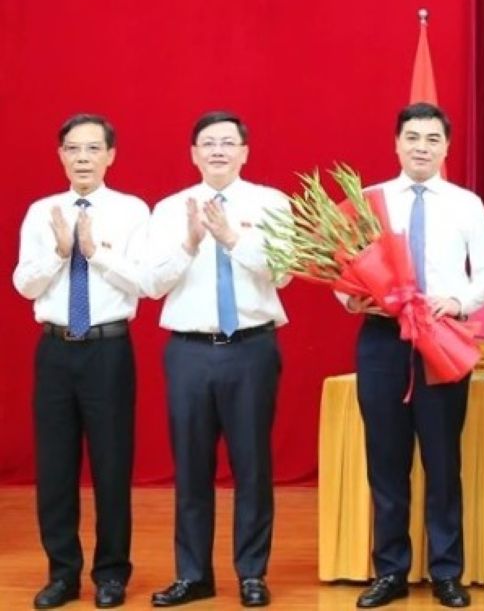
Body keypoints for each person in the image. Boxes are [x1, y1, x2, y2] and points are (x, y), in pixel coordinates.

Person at [350, 102, 484, 610]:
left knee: (442, 459)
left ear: (446, 147)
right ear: (396, 143)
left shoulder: (466, 203)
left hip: (441, 336)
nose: (421, 147)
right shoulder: (369, 201)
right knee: (386, 460)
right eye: (412, 137)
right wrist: (353, 299)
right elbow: (343, 270)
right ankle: (390, 570)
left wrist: (458, 301)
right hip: (382, 338)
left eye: (433, 139)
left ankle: (446, 571)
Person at [144, 111, 289, 609]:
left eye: (228, 142)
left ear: (245, 152)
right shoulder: (169, 210)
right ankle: (192, 575)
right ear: (194, 153)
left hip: (251, 348)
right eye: (208, 143)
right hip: (189, 352)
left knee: (253, 467)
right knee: (190, 468)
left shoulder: (271, 203)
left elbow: (283, 271)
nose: (219, 150)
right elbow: (152, 284)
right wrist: (189, 243)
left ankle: (251, 573)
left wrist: (232, 238)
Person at [13, 114, 149, 611]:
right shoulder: (41, 212)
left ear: (111, 155)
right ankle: (62, 574)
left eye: (93, 149)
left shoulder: (132, 211)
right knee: (54, 469)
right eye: (73, 149)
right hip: (54, 350)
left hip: (107, 349)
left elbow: (144, 282)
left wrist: (94, 253)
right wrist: (59, 252)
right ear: (61, 156)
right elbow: (24, 285)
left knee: (112, 466)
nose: (83, 158)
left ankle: (111, 574)